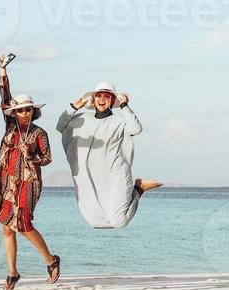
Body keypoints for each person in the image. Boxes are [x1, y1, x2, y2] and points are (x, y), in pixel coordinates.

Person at [0, 54, 60, 290]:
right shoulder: (10, 127)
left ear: (33, 111)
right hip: (7, 180)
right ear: (14, 113)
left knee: (23, 224)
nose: (24, 113)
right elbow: (4, 97)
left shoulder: (40, 134)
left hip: (29, 182)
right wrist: (3, 71)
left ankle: (50, 260)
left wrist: (30, 155)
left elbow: (47, 159)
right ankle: (13, 272)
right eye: (20, 110)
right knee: (6, 226)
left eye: (27, 110)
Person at [56, 82, 163, 229]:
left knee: (119, 221)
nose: (101, 99)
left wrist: (125, 106)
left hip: (115, 174)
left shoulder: (119, 122)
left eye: (106, 96)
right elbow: (60, 126)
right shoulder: (81, 119)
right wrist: (74, 107)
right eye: (98, 95)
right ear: (93, 100)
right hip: (90, 176)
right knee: (94, 220)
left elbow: (136, 128)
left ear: (112, 101)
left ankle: (139, 188)